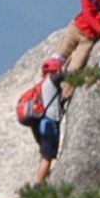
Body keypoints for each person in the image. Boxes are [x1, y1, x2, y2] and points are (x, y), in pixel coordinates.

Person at [20, 54, 67, 184]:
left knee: (45, 154)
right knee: (47, 156)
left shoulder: (42, 84)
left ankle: (43, 179)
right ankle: (38, 185)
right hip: (49, 123)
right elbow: (68, 75)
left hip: (41, 123)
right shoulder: (52, 80)